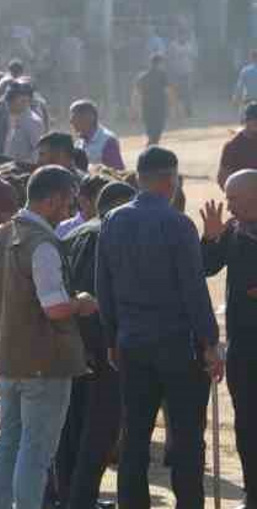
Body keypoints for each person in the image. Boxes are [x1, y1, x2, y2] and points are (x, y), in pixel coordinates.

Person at [96, 146, 224, 509]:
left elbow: (103, 285)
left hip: (131, 344)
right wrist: (210, 342)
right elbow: (193, 290)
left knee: (135, 437)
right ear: (171, 181)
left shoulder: (113, 220)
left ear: (138, 178)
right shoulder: (178, 223)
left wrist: (111, 338)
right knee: (186, 440)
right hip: (177, 347)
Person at [0, 165, 95, 509]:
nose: (71, 209)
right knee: (36, 451)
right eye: (68, 201)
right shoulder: (42, 244)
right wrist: (82, 303)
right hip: (45, 364)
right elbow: (55, 308)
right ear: (52, 200)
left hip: (8, 358)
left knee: (7, 444)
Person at [54, 181, 138, 509]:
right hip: (105, 345)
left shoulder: (72, 235)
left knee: (70, 424)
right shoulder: (113, 234)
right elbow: (103, 292)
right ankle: (81, 499)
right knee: (101, 428)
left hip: (69, 342)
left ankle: (68, 495)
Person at [201, 170, 257, 509]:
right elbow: (205, 268)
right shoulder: (233, 232)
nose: (229, 205)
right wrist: (209, 238)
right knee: (248, 424)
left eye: (234, 199)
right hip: (245, 349)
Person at [70, 99, 125, 170]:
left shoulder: (107, 141)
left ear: (89, 117)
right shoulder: (78, 143)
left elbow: (117, 172)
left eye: (74, 117)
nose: (71, 121)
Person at [56, 174, 113, 239]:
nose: (106, 203)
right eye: (101, 198)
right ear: (83, 200)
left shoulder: (112, 227)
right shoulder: (64, 229)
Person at [218, 102, 257, 189]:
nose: (256, 123)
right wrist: (238, 196)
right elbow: (223, 179)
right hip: (243, 196)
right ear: (246, 121)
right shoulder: (233, 146)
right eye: (253, 120)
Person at [5, 82, 44, 164]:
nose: (8, 103)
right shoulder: (15, 120)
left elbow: (38, 152)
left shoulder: (32, 122)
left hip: (24, 172)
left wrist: (23, 165)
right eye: (8, 99)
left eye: (12, 99)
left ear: (25, 100)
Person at [135, 54, 169, 146]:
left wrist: (137, 105)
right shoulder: (162, 75)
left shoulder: (143, 76)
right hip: (159, 104)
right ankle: (154, 141)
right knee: (159, 124)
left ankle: (151, 140)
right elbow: (167, 90)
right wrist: (171, 103)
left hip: (146, 104)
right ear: (159, 63)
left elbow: (138, 91)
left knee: (149, 123)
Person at [168, 30, 197, 118]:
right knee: (176, 92)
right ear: (178, 36)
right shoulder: (173, 45)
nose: (183, 37)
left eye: (184, 35)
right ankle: (177, 112)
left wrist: (194, 70)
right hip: (176, 73)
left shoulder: (190, 45)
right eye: (181, 35)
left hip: (188, 72)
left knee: (188, 93)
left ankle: (189, 111)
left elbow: (194, 58)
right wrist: (171, 71)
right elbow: (169, 58)